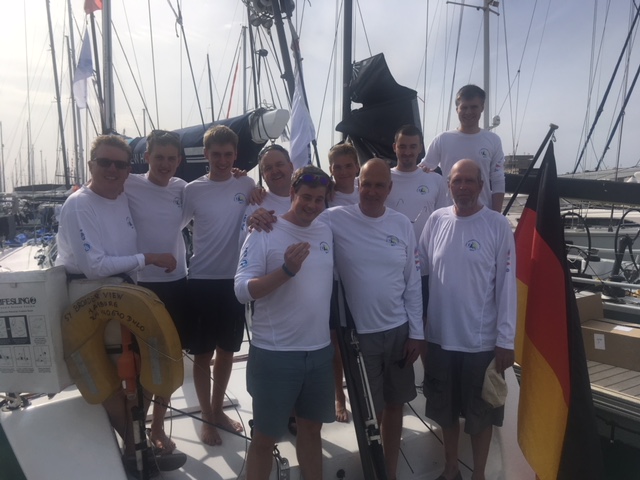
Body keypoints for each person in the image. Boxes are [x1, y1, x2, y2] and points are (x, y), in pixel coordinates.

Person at [55, 135, 177, 464]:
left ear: (128, 170)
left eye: (120, 164)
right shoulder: (79, 204)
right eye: (104, 162)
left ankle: (136, 447)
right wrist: (148, 258)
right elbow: (93, 266)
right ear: (91, 165)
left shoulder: (123, 195)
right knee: (111, 377)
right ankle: (138, 451)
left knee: (150, 365)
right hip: (90, 299)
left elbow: (163, 180)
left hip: (126, 295)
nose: (112, 169)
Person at [325, 158, 424, 480]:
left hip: (399, 332)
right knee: (370, 411)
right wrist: (260, 212)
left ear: (389, 189)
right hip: (359, 337)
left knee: (395, 405)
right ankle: (373, 471)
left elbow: (412, 282)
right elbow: (297, 215)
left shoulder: (402, 224)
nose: (371, 191)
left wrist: (417, 333)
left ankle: (389, 473)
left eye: (379, 185)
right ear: (358, 184)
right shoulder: (335, 218)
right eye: (366, 184)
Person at [418, 159, 516, 480]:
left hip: (481, 342)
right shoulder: (436, 220)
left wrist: (505, 340)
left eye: (469, 181)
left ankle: (479, 475)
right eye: (457, 181)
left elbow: (507, 286)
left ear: (481, 186)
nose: (462, 187)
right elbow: (420, 274)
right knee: (445, 411)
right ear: (448, 185)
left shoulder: (497, 225)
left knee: (480, 415)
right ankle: (451, 470)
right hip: (439, 338)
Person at [235, 165, 335, 480]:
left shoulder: (326, 229)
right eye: (306, 197)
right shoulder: (264, 230)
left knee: (312, 430)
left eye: (319, 199)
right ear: (292, 193)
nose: (312, 205)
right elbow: (241, 290)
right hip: (275, 354)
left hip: (319, 352)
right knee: (265, 438)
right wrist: (286, 271)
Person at [182, 124, 255, 446]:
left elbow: (261, 206)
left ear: (235, 155)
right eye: (216, 155)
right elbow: (173, 226)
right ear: (206, 155)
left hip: (234, 281)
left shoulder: (247, 183)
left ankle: (217, 409)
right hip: (201, 280)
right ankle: (207, 417)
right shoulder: (192, 190)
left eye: (228, 155)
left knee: (227, 351)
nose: (222, 161)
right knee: (203, 355)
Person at [124, 129, 188, 454]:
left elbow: (217, 191)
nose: (165, 164)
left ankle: (158, 426)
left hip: (176, 284)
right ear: (147, 157)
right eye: (159, 157)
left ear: (179, 161)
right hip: (140, 285)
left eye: (171, 158)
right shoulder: (129, 183)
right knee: (140, 362)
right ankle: (133, 428)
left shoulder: (183, 189)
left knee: (170, 358)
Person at [419, 85, 506, 212]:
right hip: (448, 214)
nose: (468, 112)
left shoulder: (493, 140)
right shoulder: (442, 139)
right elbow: (423, 171)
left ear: (482, 107)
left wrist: (496, 216)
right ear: (457, 109)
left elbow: (498, 180)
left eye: (474, 107)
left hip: (483, 214)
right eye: (464, 107)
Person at [385, 124, 447, 239]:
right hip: (391, 248)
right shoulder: (383, 178)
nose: (407, 152)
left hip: (426, 249)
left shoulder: (436, 180)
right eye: (402, 147)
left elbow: (442, 220)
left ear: (420, 148)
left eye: (413, 147)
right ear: (394, 147)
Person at [327, 143, 360, 207]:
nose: (343, 172)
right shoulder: (324, 197)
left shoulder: (366, 194)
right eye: (337, 167)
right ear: (331, 170)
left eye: (348, 166)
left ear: (357, 167)